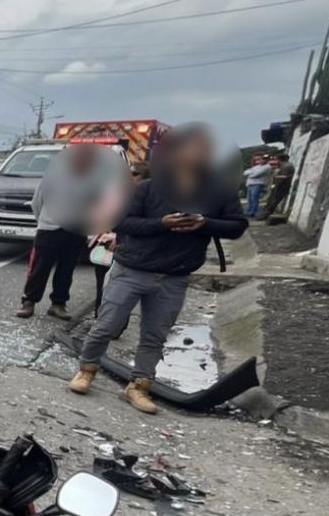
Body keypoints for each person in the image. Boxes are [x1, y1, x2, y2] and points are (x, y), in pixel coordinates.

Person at [68, 123, 247, 414]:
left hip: (174, 276)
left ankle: (139, 386)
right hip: (133, 269)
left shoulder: (219, 192)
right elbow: (121, 222)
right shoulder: (149, 189)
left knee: (154, 336)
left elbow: (237, 226)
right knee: (106, 326)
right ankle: (87, 370)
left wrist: (205, 223)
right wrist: (161, 224)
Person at [16, 143, 128, 320]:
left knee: (66, 269)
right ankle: (29, 301)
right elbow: (37, 201)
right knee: (40, 267)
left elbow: (97, 205)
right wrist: (44, 221)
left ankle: (58, 304)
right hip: (50, 228)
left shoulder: (95, 181)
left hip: (76, 229)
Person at [262, 151, 294, 218]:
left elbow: (284, 177)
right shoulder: (287, 165)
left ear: (280, 159)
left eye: (277, 159)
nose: (276, 161)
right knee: (273, 200)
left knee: (274, 201)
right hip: (282, 186)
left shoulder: (286, 166)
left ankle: (266, 214)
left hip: (281, 186)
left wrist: (275, 178)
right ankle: (267, 213)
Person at [242, 154, 272, 219]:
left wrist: (250, 174)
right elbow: (245, 172)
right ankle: (249, 212)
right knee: (250, 199)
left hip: (258, 184)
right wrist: (250, 173)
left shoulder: (267, 167)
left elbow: (256, 174)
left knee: (254, 199)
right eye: (261, 159)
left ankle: (252, 212)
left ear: (267, 160)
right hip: (250, 184)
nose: (262, 160)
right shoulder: (256, 166)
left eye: (264, 159)